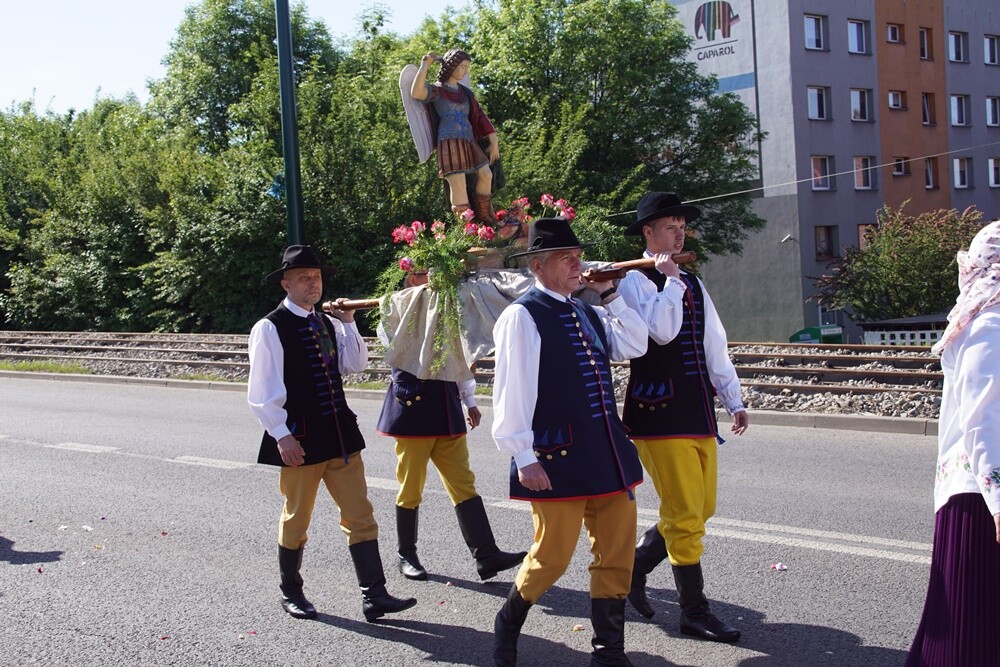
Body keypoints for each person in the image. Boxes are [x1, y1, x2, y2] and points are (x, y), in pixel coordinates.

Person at [490, 218, 649, 666]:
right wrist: (524, 456)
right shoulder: (522, 315)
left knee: (617, 554)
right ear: (538, 265)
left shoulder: (586, 309)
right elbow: (512, 391)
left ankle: (608, 651)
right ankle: (508, 622)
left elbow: (635, 344)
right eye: (567, 258)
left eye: (578, 256)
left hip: (607, 454)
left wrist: (612, 293)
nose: (578, 264)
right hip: (555, 455)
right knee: (552, 557)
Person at [247, 244, 416, 622]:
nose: (313, 284)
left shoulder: (326, 322)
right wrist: (281, 435)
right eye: (305, 278)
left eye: (317, 277)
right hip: (301, 439)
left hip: (340, 435)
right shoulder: (269, 328)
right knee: (296, 518)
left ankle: (374, 595)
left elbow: (354, 365)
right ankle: (290, 591)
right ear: (286, 284)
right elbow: (261, 392)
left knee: (361, 515)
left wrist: (350, 322)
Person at [617, 192, 748, 643]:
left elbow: (714, 340)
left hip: (696, 409)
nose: (679, 233)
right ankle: (694, 612)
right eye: (669, 226)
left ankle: (633, 567)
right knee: (687, 513)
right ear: (648, 233)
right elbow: (661, 331)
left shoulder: (690, 279)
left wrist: (733, 397)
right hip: (657, 412)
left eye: (681, 226)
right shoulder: (633, 280)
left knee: (702, 507)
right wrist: (669, 282)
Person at [377, 271, 527, 582]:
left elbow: (458, 358)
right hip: (412, 411)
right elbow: (393, 337)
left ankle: (486, 554)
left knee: (463, 483)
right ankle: (407, 554)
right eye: (419, 275)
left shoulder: (444, 310)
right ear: (407, 281)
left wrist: (469, 400)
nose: (427, 280)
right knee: (411, 486)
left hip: (444, 408)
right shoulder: (397, 309)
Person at [906, 220, 1000, 667]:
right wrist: (999, 499)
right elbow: (984, 420)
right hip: (980, 497)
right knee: (973, 625)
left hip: (978, 490)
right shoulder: (991, 323)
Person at [409, 49, 499, 224]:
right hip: (449, 141)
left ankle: (486, 217)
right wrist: (424, 65)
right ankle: (467, 229)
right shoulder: (437, 90)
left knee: (486, 174)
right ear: (451, 66)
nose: (465, 71)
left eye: (467, 67)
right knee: (458, 185)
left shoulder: (465, 93)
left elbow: (479, 115)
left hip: (469, 139)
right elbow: (416, 92)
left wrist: (493, 138)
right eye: (463, 67)